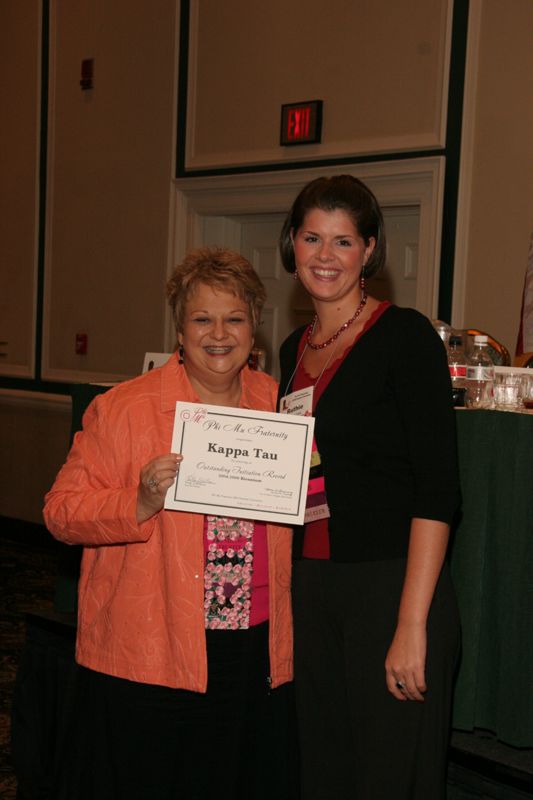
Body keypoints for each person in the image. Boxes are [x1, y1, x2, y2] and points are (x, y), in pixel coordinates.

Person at [44, 247, 297, 800]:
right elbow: (60, 512)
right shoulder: (124, 409)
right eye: (202, 319)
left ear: (255, 326)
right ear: (180, 330)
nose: (219, 334)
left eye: (234, 319)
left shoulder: (280, 406)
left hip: (253, 647)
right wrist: (136, 501)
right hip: (151, 648)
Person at [278, 175, 461, 800]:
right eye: (312, 237)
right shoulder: (290, 349)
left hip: (392, 587)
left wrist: (412, 625)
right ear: (292, 245)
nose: (325, 256)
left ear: (369, 251)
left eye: (343, 241)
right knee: (324, 771)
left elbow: (438, 492)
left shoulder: (405, 337)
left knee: (388, 780)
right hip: (314, 587)